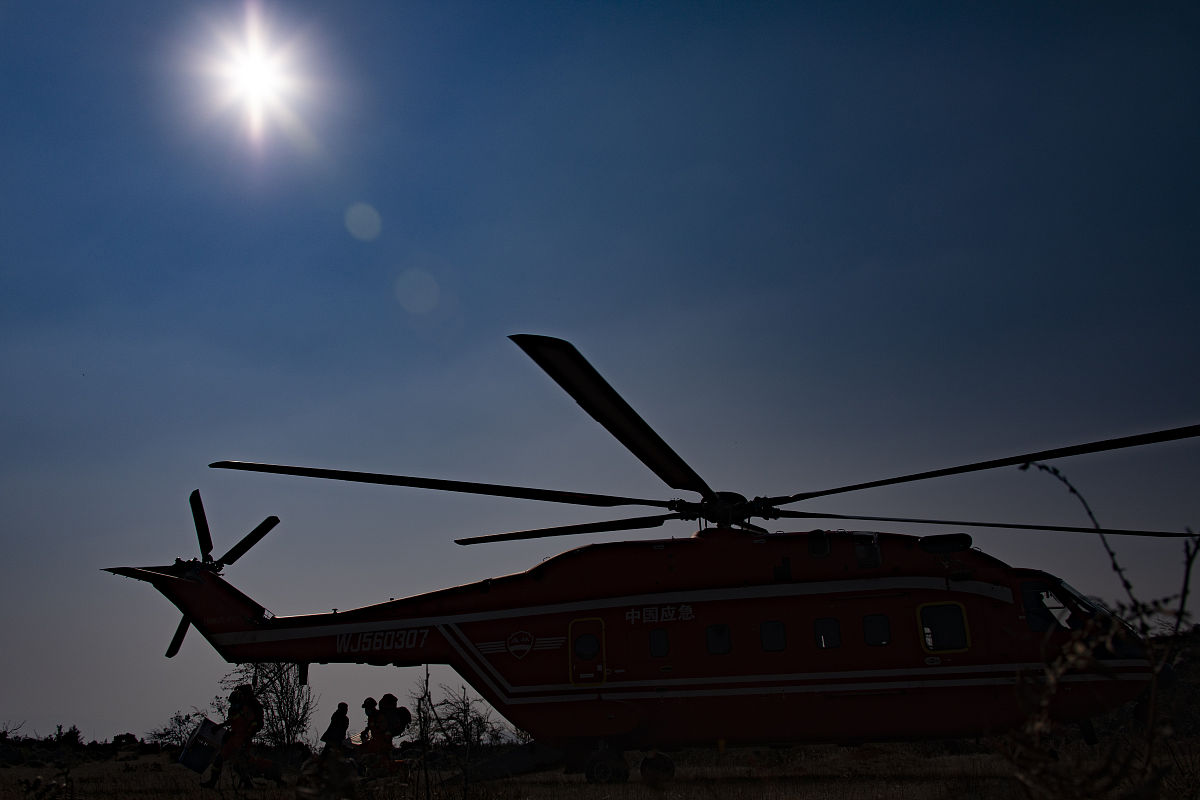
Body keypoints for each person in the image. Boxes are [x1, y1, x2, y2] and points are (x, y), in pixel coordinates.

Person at [202, 685, 264, 789]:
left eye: (234, 703)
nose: (233, 705)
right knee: (222, 761)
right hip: (233, 740)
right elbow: (231, 722)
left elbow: (253, 724)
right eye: (232, 703)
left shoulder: (246, 711)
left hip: (242, 741)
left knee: (237, 764)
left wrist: (247, 737)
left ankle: (248, 784)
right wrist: (219, 727)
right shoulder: (233, 711)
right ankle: (212, 782)